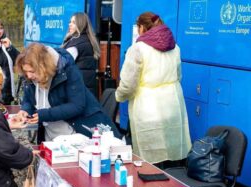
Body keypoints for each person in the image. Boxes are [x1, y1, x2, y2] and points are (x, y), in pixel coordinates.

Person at [115, 12, 191, 166]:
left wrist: (119, 96)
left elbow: (129, 84)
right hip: (172, 106)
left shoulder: (138, 49)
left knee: (149, 160)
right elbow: (179, 76)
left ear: (142, 27)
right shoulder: (175, 47)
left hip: (147, 108)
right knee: (171, 155)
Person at [15, 43, 121, 141]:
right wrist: (25, 110)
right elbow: (28, 100)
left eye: (32, 71)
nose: (29, 76)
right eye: (26, 72)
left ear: (43, 66)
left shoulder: (68, 71)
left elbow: (77, 105)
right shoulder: (30, 77)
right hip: (51, 136)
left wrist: (44, 114)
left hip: (74, 134)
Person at [62, 12, 100, 97]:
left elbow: (61, 64)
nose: (70, 25)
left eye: (73, 23)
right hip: (85, 89)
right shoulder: (88, 40)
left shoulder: (76, 44)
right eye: (70, 22)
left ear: (81, 24)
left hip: (76, 90)